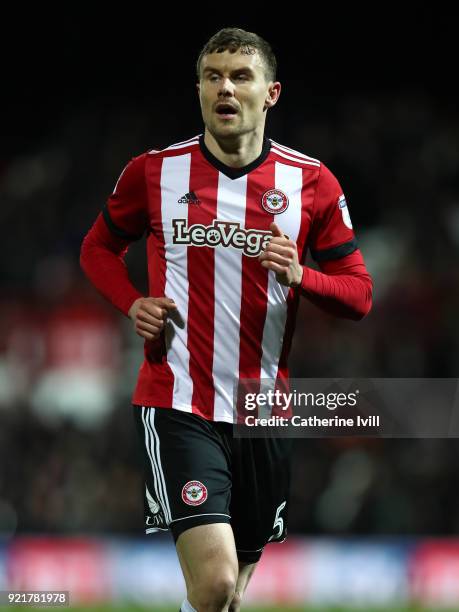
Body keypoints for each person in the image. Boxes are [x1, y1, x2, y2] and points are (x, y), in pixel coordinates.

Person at [80, 26, 372, 612]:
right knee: (213, 584)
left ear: (272, 93)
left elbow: (359, 294)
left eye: (241, 76)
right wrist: (132, 302)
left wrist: (301, 276)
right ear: (199, 90)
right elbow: (97, 249)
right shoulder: (154, 173)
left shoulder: (311, 183)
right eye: (213, 76)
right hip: (178, 400)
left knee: (227, 598)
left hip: (263, 410)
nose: (226, 88)